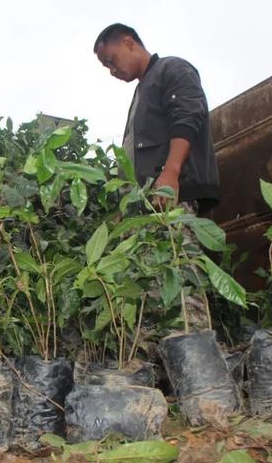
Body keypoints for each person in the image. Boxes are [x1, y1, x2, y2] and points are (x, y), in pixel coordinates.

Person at [94, 23, 220, 328]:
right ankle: (175, 358)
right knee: (158, 286)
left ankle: (198, 359)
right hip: (152, 205)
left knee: (181, 277)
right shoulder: (143, 89)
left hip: (172, 198)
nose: (111, 70)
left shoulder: (170, 69)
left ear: (129, 42)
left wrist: (171, 173)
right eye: (105, 66)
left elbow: (188, 116)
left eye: (111, 60)